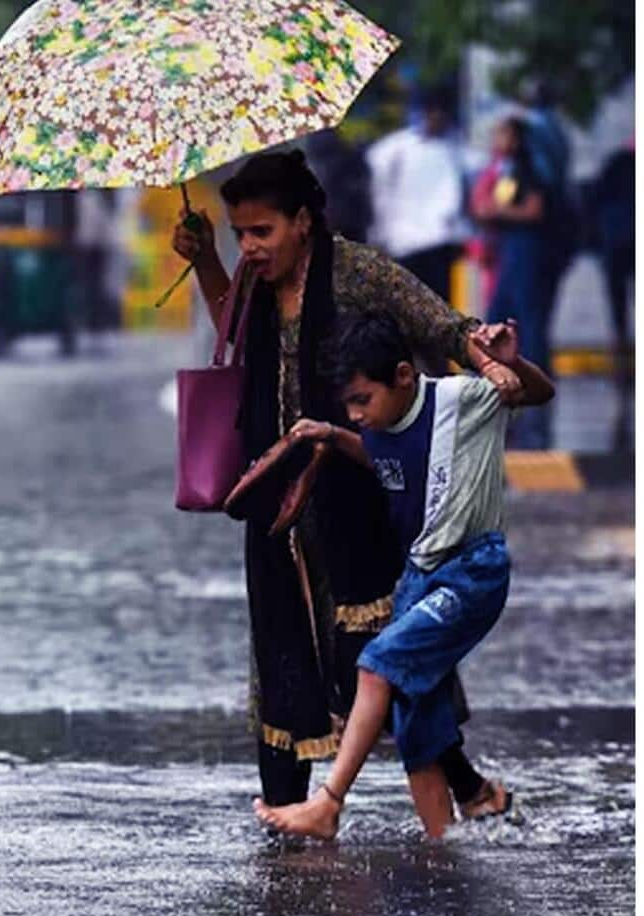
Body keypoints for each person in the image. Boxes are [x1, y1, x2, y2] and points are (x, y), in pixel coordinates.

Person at [169, 149, 523, 820]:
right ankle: (287, 810)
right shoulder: (250, 278)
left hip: (355, 493)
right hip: (277, 497)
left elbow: (435, 322)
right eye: (240, 232)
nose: (250, 246)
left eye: (261, 232)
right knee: (281, 649)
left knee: (383, 651)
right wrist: (207, 262)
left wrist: (488, 355)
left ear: (303, 221)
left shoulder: (358, 271)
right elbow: (237, 340)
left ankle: (465, 787)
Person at [254, 314, 553, 838]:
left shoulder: (461, 401)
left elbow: (539, 393)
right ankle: (443, 844)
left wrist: (510, 365)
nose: (356, 413)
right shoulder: (378, 425)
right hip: (420, 575)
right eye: (348, 405)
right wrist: (332, 434)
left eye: (362, 400)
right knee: (416, 720)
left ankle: (328, 803)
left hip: (470, 572)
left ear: (403, 376)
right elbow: (380, 461)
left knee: (377, 665)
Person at [472, 115, 555, 449]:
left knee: (524, 317)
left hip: (526, 249)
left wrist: (495, 211)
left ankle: (529, 376)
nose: (496, 139)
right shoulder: (506, 168)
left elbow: (532, 210)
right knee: (502, 311)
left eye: (502, 134)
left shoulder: (527, 169)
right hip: (511, 249)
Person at [366, 85, 469, 300]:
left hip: (440, 241)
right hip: (404, 242)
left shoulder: (455, 149)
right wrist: (379, 234)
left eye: (441, 112)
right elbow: (378, 190)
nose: (437, 117)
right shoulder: (395, 149)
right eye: (432, 111)